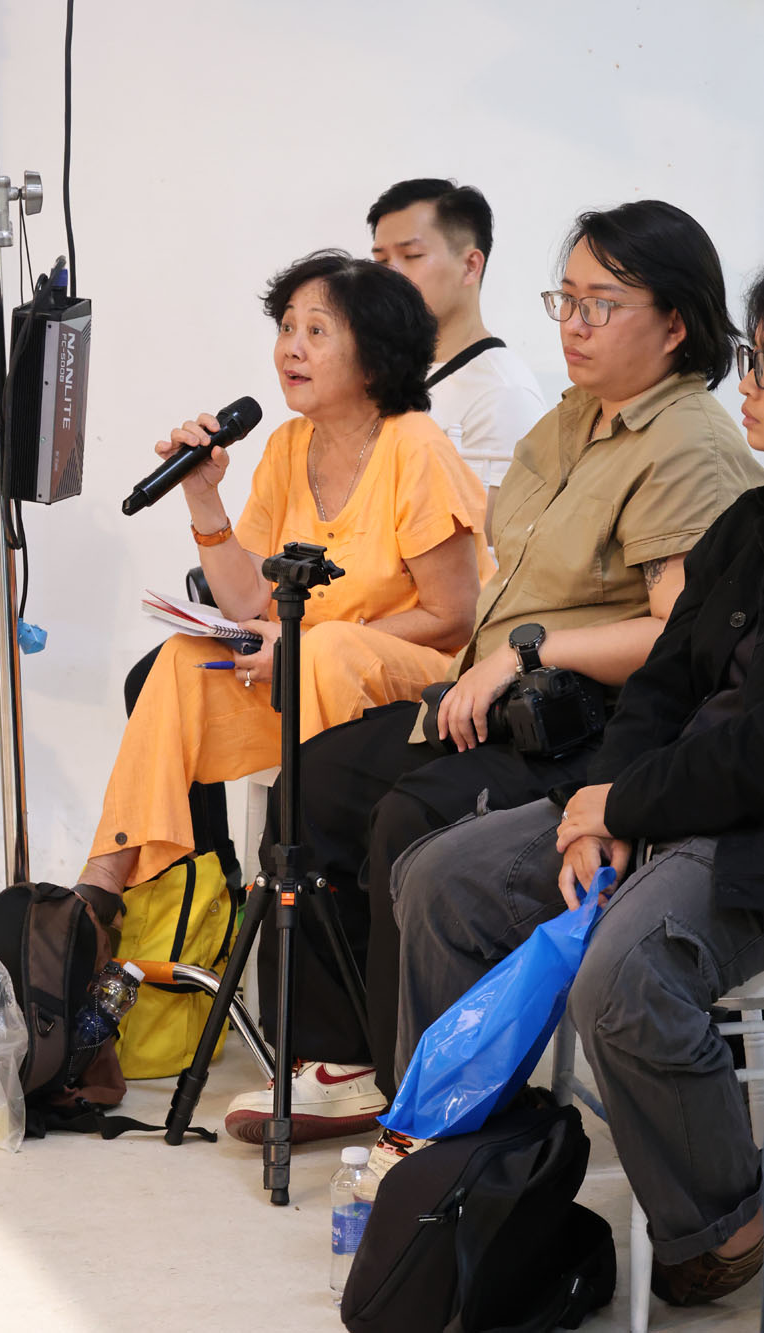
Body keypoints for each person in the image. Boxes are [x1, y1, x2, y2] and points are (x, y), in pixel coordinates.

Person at [225, 201, 764, 1146]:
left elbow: (673, 647)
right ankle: (338, 1060)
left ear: (676, 324)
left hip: (583, 719)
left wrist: (526, 653)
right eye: (566, 300)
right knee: (315, 784)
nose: (573, 325)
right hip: (496, 693)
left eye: (601, 305)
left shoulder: (688, 444)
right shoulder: (568, 421)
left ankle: (417, 1100)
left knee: (410, 822)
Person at [388, 272, 764, 1310]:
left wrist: (627, 809)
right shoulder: (747, 524)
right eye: (753, 360)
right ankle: (478, 1171)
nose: (747, 386)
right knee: (442, 878)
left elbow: (751, 754)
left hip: (739, 831)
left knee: (624, 978)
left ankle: (726, 1220)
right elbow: (663, 685)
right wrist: (600, 801)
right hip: (658, 798)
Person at [73, 249, 491, 910]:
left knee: (327, 649)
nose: (290, 348)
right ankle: (102, 890)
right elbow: (247, 601)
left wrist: (306, 646)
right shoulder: (289, 444)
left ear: (375, 357)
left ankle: (294, 877)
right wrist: (203, 497)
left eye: (316, 331)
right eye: (287, 327)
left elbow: (453, 617)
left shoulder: (416, 447)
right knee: (183, 659)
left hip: (425, 682)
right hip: (310, 672)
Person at [368, 177, 545, 537]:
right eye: (381, 260)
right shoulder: (382, 372)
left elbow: (487, 542)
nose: (390, 276)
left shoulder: (503, 395)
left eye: (411, 256)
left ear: (470, 266)